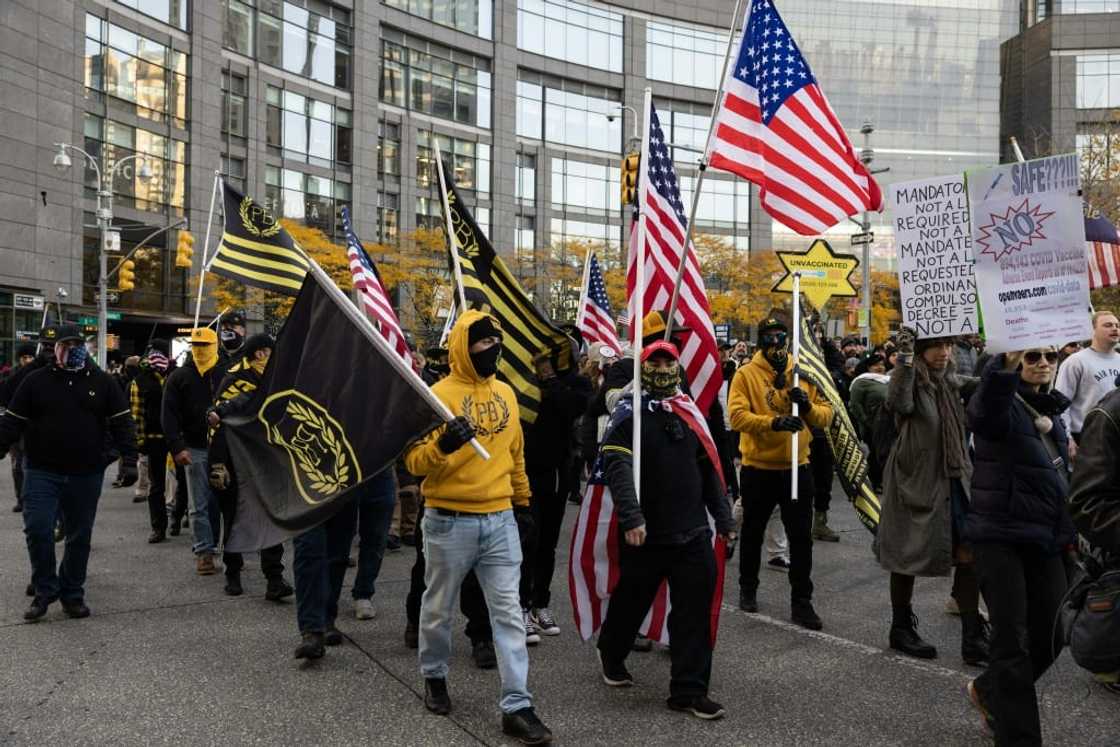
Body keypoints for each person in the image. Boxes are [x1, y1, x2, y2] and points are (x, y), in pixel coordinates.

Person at [404, 310, 552, 745]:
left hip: (501, 519)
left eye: (496, 342)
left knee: (508, 613)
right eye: (485, 343)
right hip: (448, 521)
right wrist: (443, 445)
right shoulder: (436, 395)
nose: (494, 349)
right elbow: (413, 462)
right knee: (438, 608)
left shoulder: (506, 392)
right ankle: (434, 676)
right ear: (464, 348)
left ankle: (517, 705)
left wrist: (523, 503)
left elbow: (515, 454)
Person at [595, 341, 735, 719]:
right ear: (642, 369)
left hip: (692, 533)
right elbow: (617, 467)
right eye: (653, 363)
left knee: (694, 614)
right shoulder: (629, 414)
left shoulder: (690, 413)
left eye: (667, 362)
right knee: (630, 603)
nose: (661, 368)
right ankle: (611, 651)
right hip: (647, 535)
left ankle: (689, 691)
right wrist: (631, 517)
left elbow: (709, 471)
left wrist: (724, 519)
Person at [964, 347, 1076, 743]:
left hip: (1046, 537)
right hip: (1000, 536)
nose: (1043, 362)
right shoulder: (999, 402)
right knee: (1011, 640)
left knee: (1053, 633)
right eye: (1032, 356)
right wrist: (1005, 366)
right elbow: (984, 413)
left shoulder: (1053, 409)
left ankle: (988, 689)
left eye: (1050, 356)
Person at [0, 324, 138, 620]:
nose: (70, 350)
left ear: (84, 347)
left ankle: (72, 593)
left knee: (79, 536)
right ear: (55, 349)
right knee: (38, 529)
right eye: (65, 345)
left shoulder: (103, 382)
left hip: (85, 472)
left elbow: (122, 422)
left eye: (76, 344)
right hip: (42, 471)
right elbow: (12, 421)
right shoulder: (36, 381)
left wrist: (129, 460)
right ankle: (44, 589)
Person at [879, 328, 988, 665]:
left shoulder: (950, 381)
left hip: (955, 477)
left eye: (948, 345)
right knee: (906, 554)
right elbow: (898, 401)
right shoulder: (910, 378)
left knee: (969, 552)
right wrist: (905, 356)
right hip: (916, 480)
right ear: (921, 350)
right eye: (937, 345)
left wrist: (1007, 352)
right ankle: (901, 628)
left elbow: (985, 382)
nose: (944, 352)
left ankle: (973, 637)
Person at [728, 316, 832, 630]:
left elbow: (827, 415)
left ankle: (802, 602)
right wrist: (772, 422)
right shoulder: (746, 374)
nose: (775, 342)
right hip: (758, 468)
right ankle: (748, 588)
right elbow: (736, 417)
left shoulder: (803, 373)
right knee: (753, 532)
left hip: (797, 467)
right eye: (769, 336)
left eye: (780, 335)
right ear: (760, 340)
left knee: (800, 539)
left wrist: (808, 407)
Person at [206, 333, 294, 600]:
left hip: (266, 456)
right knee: (234, 517)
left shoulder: (274, 378)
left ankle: (274, 579)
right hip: (235, 459)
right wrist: (218, 463)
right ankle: (232, 573)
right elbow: (222, 418)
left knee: (270, 517)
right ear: (260, 353)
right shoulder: (236, 377)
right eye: (271, 353)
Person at [521, 346, 592, 639]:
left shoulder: (577, 383)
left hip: (558, 473)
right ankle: (521, 607)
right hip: (526, 471)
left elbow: (571, 408)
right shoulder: (524, 378)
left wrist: (550, 378)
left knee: (547, 543)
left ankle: (541, 603)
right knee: (527, 540)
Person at [162, 328, 226, 576]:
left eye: (204, 345)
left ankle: (228, 550)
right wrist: (177, 447)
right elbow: (168, 415)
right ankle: (204, 552)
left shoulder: (225, 373)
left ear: (215, 345)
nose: (200, 350)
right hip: (195, 447)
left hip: (225, 447)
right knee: (198, 504)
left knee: (224, 502)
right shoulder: (179, 377)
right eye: (196, 345)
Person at [1054, 310, 1120, 456]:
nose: (1115, 329)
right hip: (1087, 439)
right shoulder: (1075, 362)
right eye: (1108, 325)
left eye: (1117, 325)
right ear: (1092, 330)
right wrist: (1067, 438)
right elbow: (1061, 404)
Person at [129, 340, 174, 543]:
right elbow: (136, 414)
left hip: (177, 439)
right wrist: (140, 441)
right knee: (157, 486)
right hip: (155, 439)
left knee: (181, 482)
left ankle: (178, 516)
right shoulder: (140, 380)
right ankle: (158, 527)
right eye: (152, 353)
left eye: (159, 353)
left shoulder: (175, 375)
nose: (156, 357)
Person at [1, 342, 39, 512]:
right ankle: (21, 499)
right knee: (17, 465)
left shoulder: (38, 375)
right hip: (16, 425)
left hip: (33, 426)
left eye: (30, 357)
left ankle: (32, 498)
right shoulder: (11, 376)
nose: (28, 360)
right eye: (25, 357)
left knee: (30, 464)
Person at [848, 354, 890, 491]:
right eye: (876, 365)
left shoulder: (887, 380)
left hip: (889, 424)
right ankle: (876, 481)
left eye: (882, 364)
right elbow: (855, 405)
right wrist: (866, 421)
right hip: (872, 426)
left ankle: (886, 480)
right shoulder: (861, 382)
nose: (880, 367)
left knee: (888, 452)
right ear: (868, 367)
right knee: (876, 453)